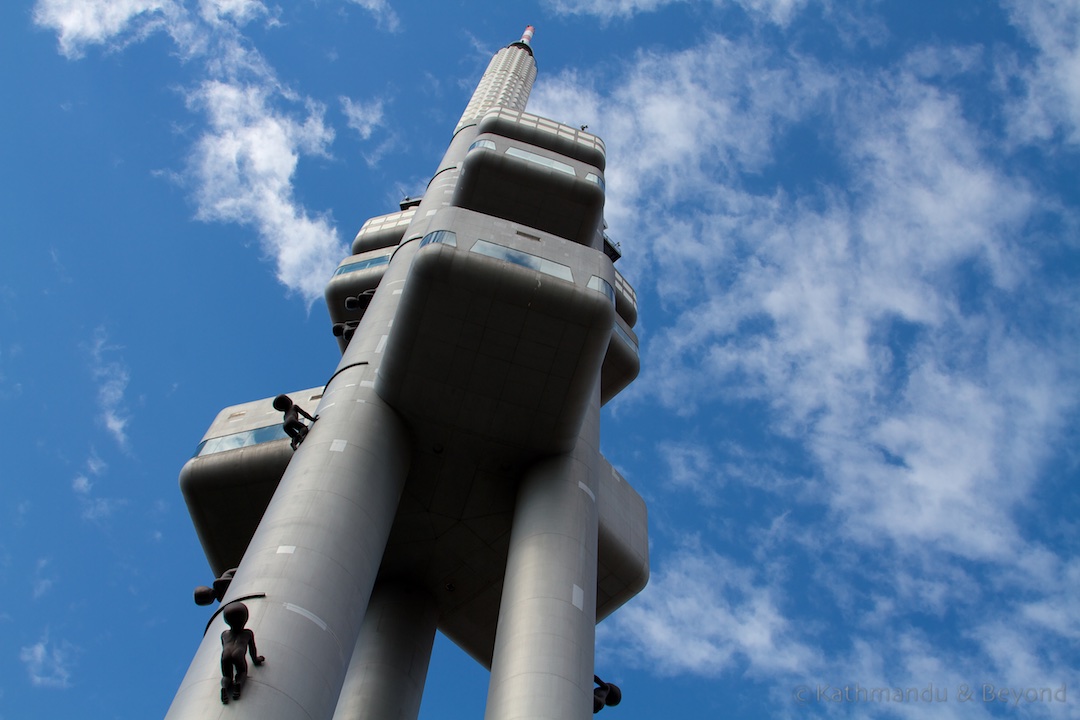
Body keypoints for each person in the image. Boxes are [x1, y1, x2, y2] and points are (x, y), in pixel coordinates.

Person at [220, 602, 264, 703]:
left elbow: (224, 646)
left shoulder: (224, 634)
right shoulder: (247, 633)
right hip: (238, 654)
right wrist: (257, 660)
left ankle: (224, 688)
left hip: (225, 654)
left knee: (226, 676)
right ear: (245, 618)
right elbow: (252, 651)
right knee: (242, 672)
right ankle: (238, 685)